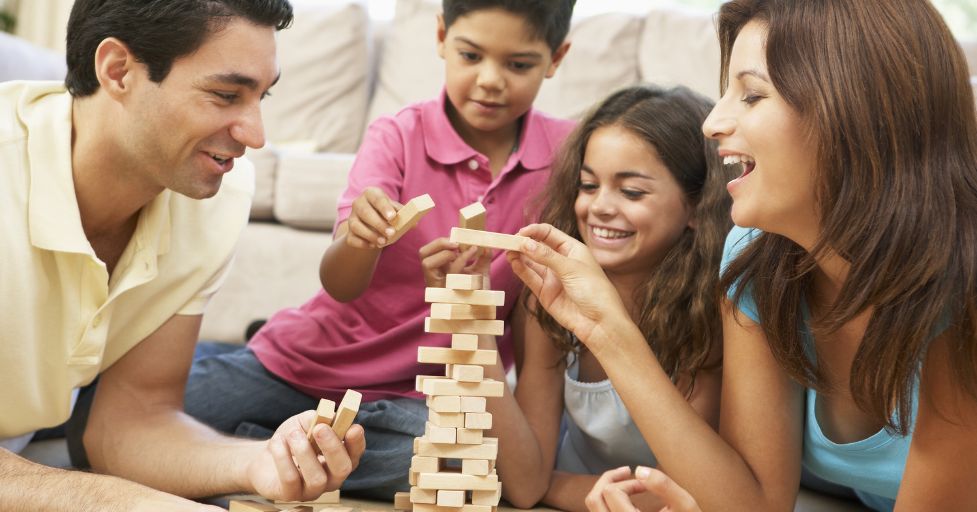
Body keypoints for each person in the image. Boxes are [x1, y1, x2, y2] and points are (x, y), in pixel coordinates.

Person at [506, 0, 977, 510]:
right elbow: (753, 501)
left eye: (752, 95)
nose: (712, 123)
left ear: (854, 111)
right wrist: (606, 329)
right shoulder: (756, 258)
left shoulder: (962, 283)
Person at [184, 0, 575, 498]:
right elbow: (340, 284)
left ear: (556, 57)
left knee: (457, 467)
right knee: (147, 416)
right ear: (440, 38)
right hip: (306, 365)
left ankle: (262, 448)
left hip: (422, 400)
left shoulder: (565, 158)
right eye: (471, 55)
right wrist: (361, 240)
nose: (491, 80)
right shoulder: (398, 136)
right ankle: (269, 434)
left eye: (519, 64)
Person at [0, 1, 364, 510]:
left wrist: (256, 463)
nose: (256, 136)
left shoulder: (213, 198)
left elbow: (132, 419)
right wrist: (131, 503)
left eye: (262, 96)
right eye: (225, 94)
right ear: (118, 70)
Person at [454, 84, 731, 510]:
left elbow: (693, 493)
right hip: (576, 477)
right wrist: (476, 326)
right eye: (588, 185)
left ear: (696, 208)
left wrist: (563, 489)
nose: (599, 206)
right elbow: (526, 485)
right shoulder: (549, 299)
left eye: (632, 191)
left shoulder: (710, 315)